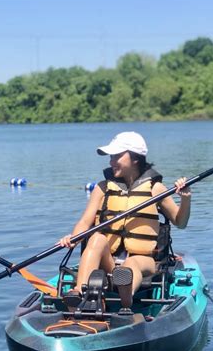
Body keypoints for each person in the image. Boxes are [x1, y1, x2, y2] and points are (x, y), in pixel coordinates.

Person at [59, 131, 191, 311]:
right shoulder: (103, 188)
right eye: (111, 157)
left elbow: (180, 221)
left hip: (143, 260)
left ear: (135, 158)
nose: (111, 162)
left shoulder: (155, 188)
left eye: (116, 156)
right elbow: (85, 222)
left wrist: (185, 199)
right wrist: (73, 239)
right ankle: (80, 294)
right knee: (97, 239)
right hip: (109, 260)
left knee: (131, 264)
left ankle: (126, 301)